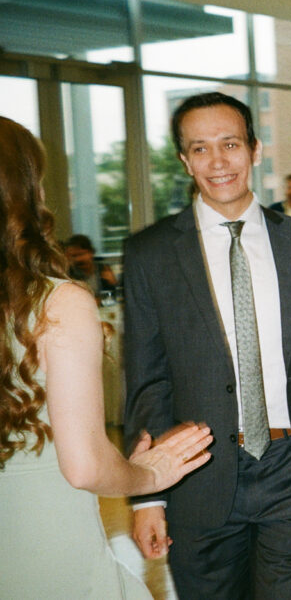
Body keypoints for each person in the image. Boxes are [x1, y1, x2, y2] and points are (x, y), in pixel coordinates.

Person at [122, 92, 291, 598]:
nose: (218, 162)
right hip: (196, 474)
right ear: (185, 161)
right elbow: (146, 379)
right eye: (200, 148)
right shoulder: (150, 254)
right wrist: (147, 496)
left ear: (254, 149)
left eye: (229, 144)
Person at [0, 116, 214, 598]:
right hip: (45, 543)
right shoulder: (56, 302)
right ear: (27, 188)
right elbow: (84, 467)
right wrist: (150, 474)